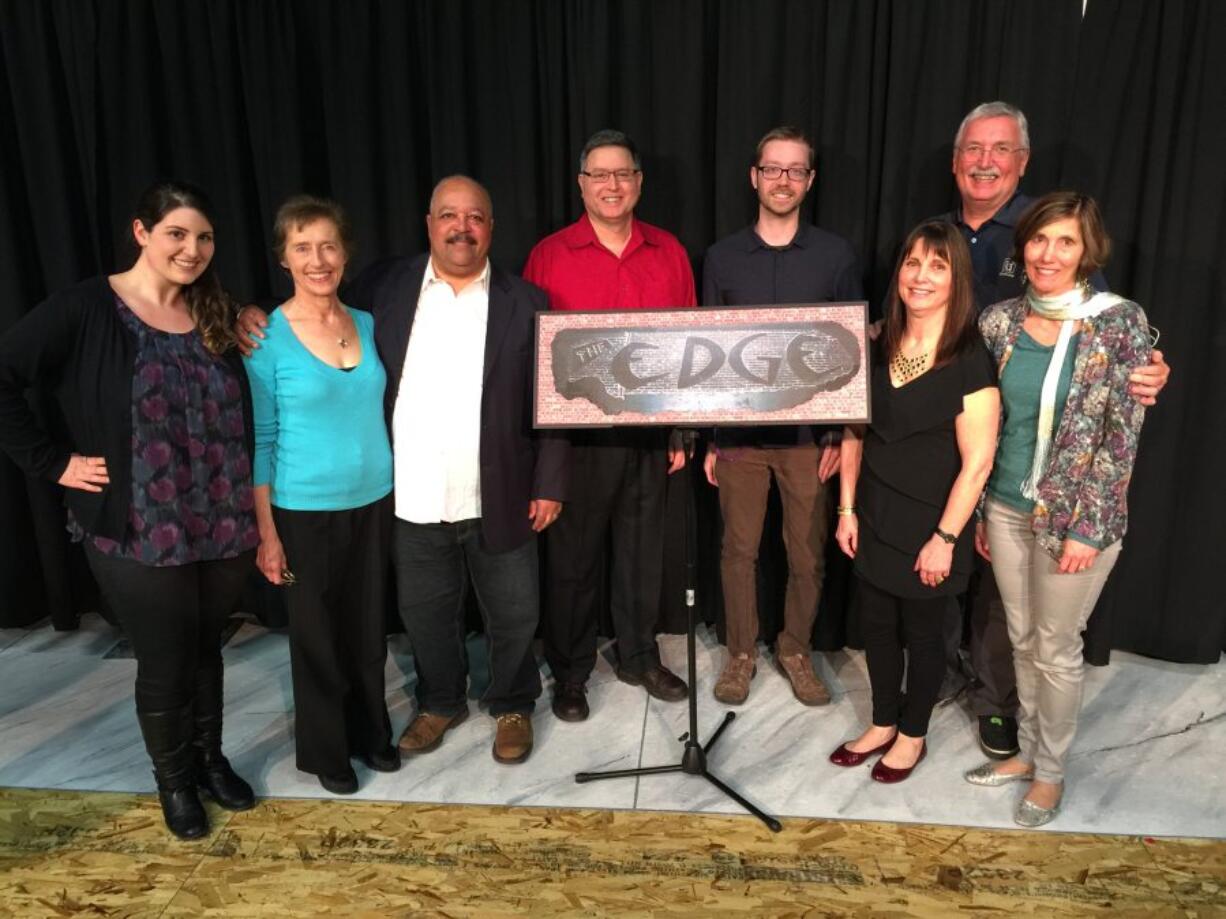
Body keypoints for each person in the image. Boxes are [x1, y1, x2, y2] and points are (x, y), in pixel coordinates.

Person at [240, 176, 567, 764]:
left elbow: (553, 401)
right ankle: (440, 701)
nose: (461, 227)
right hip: (410, 495)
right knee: (425, 613)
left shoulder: (528, 301)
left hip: (501, 489)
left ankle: (513, 702)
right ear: (429, 223)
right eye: (448, 215)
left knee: (516, 611)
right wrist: (248, 312)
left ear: (490, 228)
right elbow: (312, 306)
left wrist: (549, 481)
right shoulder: (384, 287)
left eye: (474, 217)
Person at [0, 181, 259, 839]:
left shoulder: (213, 310)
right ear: (141, 232)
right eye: (176, 233)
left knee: (206, 645)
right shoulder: (87, 307)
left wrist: (251, 312)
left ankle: (209, 759)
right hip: (140, 523)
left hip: (221, 517)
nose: (192, 248)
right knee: (167, 656)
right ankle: (174, 781)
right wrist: (53, 462)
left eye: (203, 237)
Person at [940, 101, 1171, 759]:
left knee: (1036, 630)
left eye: (1000, 149)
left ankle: (1017, 729)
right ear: (957, 162)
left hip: (1056, 489)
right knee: (987, 598)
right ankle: (968, 694)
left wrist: (1149, 369)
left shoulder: (1072, 263)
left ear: (1022, 162)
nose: (985, 162)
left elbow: (1112, 386)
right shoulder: (946, 244)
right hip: (975, 455)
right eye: (973, 150)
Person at [964, 192, 1150, 826]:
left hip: (1077, 521)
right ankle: (1027, 754)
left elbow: (1122, 436)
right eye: (1040, 240)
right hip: (1008, 508)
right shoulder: (1001, 321)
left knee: (1055, 647)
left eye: (1065, 242)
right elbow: (991, 419)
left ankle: (1050, 773)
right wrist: (987, 507)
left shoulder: (1117, 322)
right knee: (1020, 640)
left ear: (1086, 251)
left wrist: (1089, 529)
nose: (1049, 253)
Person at [524, 129, 694, 722]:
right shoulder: (549, 254)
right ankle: (570, 671)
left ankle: (638, 654)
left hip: (650, 434)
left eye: (622, 174)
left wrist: (680, 429)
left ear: (639, 182)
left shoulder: (669, 251)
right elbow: (535, 352)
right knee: (572, 559)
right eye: (599, 175)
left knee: (643, 554)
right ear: (582, 185)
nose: (612, 185)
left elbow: (687, 351)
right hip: (578, 438)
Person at [831, 221, 999, 784]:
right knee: (876, 626)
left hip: (932, 524)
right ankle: (881, 722)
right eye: (912, 262)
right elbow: (855, 433)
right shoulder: (874, 344)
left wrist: (946, 539)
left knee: (924, 637)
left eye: (937, 265)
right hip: (874, 514)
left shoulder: (971, 357)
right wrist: (847, 509)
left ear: (957, 280)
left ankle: (912, 734)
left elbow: (977, 463)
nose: (920, 276)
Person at [701, 126, 862, 707]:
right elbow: (706, 355)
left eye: (796, 170)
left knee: (807, 554)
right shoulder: (721, 257)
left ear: (810, 180)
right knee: (738, 551)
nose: (784, 180)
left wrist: (841, 432)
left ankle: (795, 649)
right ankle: (741, 653)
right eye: (773, 169)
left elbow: (849, 353)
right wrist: (711, 440)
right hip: (740, 438)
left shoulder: (835, 255)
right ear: (755, 176)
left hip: (806, 440)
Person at [243, 196, 398, 794]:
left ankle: (372, 734)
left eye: (328, 245)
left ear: (345, 253)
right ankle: (326, 751)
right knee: (316, 640)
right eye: (303, 247)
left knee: (366, 632)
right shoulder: (265, 338)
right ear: (284, 257)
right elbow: (262, 438)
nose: (318, 259)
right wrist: (268, 534)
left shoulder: (367, 323)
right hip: (301, 509)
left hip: (374, 500)